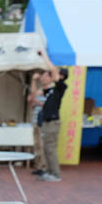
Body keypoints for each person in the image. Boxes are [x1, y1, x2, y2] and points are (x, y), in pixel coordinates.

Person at [36, 50, 68, 182]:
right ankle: (49, 172)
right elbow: (41, 88)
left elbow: (53, 72)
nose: (50, 75)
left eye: (56, 73)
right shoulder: (51, 90)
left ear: (61, 76)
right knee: (46, 149)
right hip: (47, 122)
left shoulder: (61, 87)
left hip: (53, 123)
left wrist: (45, 56)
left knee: (51, 149)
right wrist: (37, 78)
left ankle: (56, 174)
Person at [28, 73, 47, 175]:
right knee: (37, 145)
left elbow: (49, 106)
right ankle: (39, 166)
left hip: (43, 122)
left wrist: (36, 101)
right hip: (35, 121)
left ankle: (44, 167)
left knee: (42, 144)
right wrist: (32, 101)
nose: (42, 79)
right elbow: (32, 106)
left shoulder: (49, 91)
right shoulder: (39, 91)